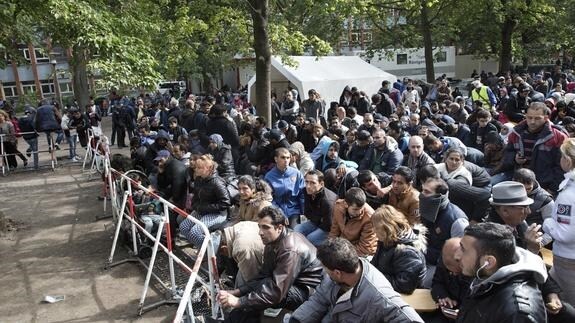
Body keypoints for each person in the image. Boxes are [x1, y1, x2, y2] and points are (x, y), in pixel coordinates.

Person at [217, 206, 323, 323]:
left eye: (266, 227)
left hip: (310, 291)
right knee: (259, 292)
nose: (260, 232)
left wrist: (239, 301)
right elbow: (263, 276)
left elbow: (276, 292)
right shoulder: (272, 241)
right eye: (259, 227)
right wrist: (237, 292)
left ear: (279, 228)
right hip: (292, 283)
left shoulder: (290, 249)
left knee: (262, 297)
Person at [285, 237, 424, 323]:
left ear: (338, 273)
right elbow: (320, 299)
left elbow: (410, 318)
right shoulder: (335, 276)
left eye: (325, 268)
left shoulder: (379, 296)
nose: (324, 272)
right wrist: (297, 320)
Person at [454, 222, 547, 323]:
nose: (457, 256)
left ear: (488, 262)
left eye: (464, 250)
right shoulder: (483, 275)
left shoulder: (518, 314)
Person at [502, 102, 567, 194]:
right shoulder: (515, 133)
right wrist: (515, 159)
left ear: (546, 118)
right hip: (518, 183)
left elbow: (562, 167)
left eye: (537, 118)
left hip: (544, 187)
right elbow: (507, 154)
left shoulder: (558, 137)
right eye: (529, 117)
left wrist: (552, 189)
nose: (532, 121)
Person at [543, 138, 575, 306]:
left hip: (568, 259)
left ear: (567, 160)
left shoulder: (568, 195)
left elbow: (564, 234)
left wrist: (547, 222)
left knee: (569, 304)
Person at [420, 177, 468, 285]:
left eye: (427, 192)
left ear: (440, 196)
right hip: (424, 257)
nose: (422, 195)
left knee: (419, 282)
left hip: (442, 267)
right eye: (422, 190)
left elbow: (459, 256)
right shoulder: (426, 210)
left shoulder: (457, 221)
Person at [370, 205, 427, 294]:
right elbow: (374, 265)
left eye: (376, 228)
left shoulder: (407, 252)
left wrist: (375, 277)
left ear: (387, 228)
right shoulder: (385, 240)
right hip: (384, 287)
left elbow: (404, 286)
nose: (373, 230)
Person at [179, 154, 231, 248]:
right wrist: (195, 205)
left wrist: (204, 208)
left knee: (195, 232)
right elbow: (196, 195)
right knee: (184, 227)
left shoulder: (217, 182)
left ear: (208, 168)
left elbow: (225, 203)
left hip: (217, 213)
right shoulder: (199, 179)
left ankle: (210, 251)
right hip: (202, 209)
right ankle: (202, 247)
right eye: (196, 167)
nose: (196, 169)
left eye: (199, 168)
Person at [430, 238, 472, 322]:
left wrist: (464, 315)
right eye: (450, 271)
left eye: (457, 272)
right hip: (445, 313)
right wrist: (442, 296)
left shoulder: (476, 271)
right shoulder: (445, 260)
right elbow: (437, 282)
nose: (454, 274)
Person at [329, 187, 377, 257]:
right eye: (355, 209)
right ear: (345, 204)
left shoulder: (370, 218)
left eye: (361, 208)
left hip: (360, 252)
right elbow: (334, 231)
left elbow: (365, 248)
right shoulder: (338, 207)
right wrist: (330, 245)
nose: (359, 212)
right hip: (343, 245)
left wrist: (341, 253)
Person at [294, 170, 337, 246]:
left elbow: (328, 225)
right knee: (297, 229)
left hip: (328, 228)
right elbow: (307, 212)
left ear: (321, 184)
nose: (308, 186)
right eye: (306, 182)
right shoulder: (307, 192)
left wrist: (317, 222)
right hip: (316, 221)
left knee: (310, 238)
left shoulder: (328, 201)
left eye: (312, 183)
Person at [265, 148, 306, 228]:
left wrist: (304, 212)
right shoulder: (269, 176)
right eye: (283, 157)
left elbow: (302, 194)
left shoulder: (296, 173)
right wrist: (280, 213)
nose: (286, 160)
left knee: (295, 231)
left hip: (294, 209)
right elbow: (269, 198)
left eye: (288, 158)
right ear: (276, 159)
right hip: (276, 210)